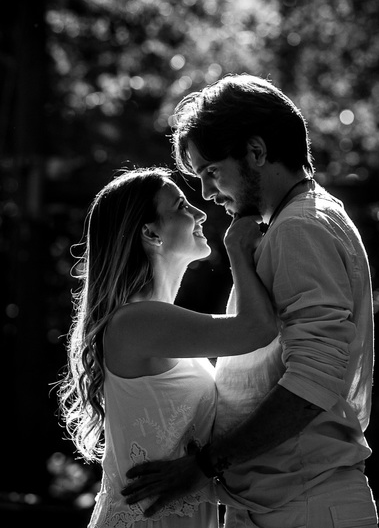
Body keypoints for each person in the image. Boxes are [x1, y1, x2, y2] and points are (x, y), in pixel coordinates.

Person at [121, 75, 378, 528]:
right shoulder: (302, 220)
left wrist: (204, 466)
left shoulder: (299, 228)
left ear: (256, 152)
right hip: (283, 504)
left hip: (303, 508)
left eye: (211, 171)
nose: (206, 193)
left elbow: (313, 382)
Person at [58, 166, 278, 528]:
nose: (200, 213)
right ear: (150, 233)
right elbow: (258, 328)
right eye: (181, 206)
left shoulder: (154, 321)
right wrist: (237, 249)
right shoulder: (135, 322)